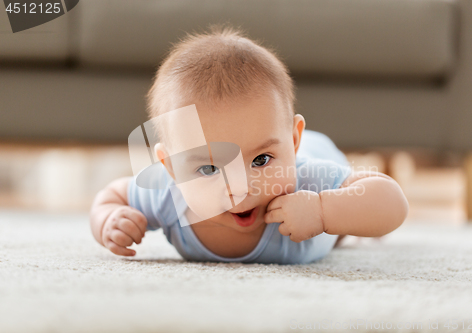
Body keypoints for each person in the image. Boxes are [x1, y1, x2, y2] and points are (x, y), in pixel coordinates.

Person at [90, 26, 409, 264]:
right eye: (210, 168)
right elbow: (113, 196)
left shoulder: (308, 181)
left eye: (261, 160)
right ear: (171, 168)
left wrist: (324, 212)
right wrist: (110, 219)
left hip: (318, 150)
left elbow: (393, 203)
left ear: (292, 140)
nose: (240, 188)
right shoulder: (168, 195)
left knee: (356, 223)